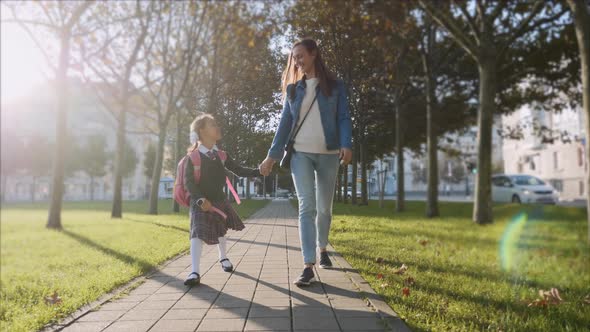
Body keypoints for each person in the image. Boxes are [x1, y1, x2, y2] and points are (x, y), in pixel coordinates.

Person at [260, 39, 353, 286]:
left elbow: (343, 117)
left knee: (324, 208)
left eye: (301, 56)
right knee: (306, 206)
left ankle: (323, 248)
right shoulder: (293, 90)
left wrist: (347, 143)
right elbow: (284, 126)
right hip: (300, 154)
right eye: (294, 57)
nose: (297, 61)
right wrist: (272, 155)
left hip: (328, 153)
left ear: (313, 54)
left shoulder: (335, 86)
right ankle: (308, 265)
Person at [183, 113, 262, 286]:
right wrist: (200, 200)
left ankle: (223, 257)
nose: (217, 127)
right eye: (212, 125)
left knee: (220, 230)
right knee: (196, 233)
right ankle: (194, 271)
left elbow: (238, 170)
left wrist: (258, 171)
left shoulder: (221, 155)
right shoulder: (194, 157)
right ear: (202, 131)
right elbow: (188, 182)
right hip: (200, 202)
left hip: (219, 199)